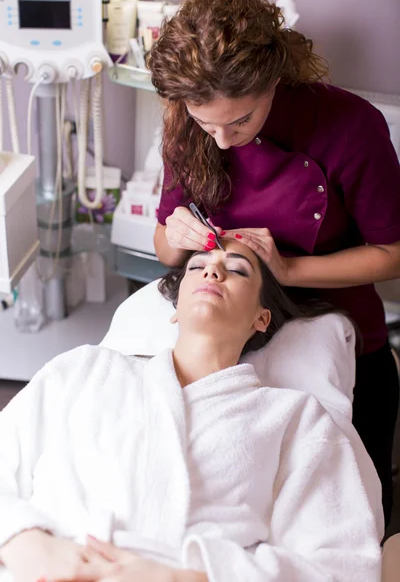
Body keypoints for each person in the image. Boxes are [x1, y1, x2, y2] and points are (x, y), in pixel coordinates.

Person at [148, 0, 400, 525]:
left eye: (238, 121)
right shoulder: (187, 124)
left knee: (352, 506)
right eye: (204, 120)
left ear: (274, 80)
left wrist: (287, 270)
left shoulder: (351, 127)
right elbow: (164, 245)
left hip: (344, 325)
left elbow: (393, 254)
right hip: (229, 352)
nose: (218, 141)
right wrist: (176, 235)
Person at [0, 241, 383, 582]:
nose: (212, 270)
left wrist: (184, 576)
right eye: (197, 266)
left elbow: (342, 564)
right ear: (175, 308)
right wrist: (24, 542)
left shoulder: (295, 419)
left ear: (260, 319)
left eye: (237, 269)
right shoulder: (84, 370)